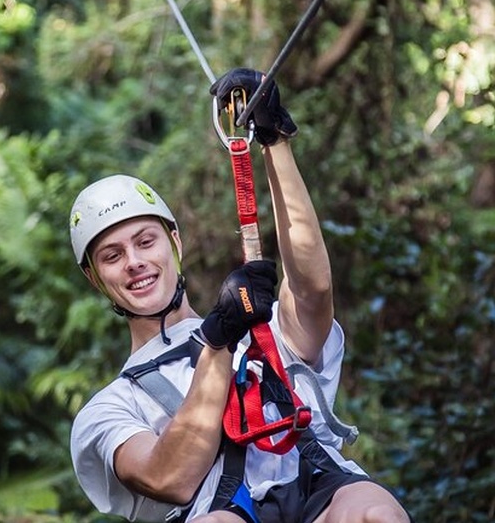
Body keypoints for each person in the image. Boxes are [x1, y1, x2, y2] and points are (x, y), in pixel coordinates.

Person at [69, 68, 411, 523]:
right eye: (113, 255)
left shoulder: (261, 328)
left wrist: (274, 143)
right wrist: (218, 340)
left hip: (319, 488)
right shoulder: (109, 410)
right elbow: (170, 478)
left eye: (146, 241)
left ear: (176, 243)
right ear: (96, 278)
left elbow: (312, 290)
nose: (134, 261)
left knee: (375, 516)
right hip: (221, 510)